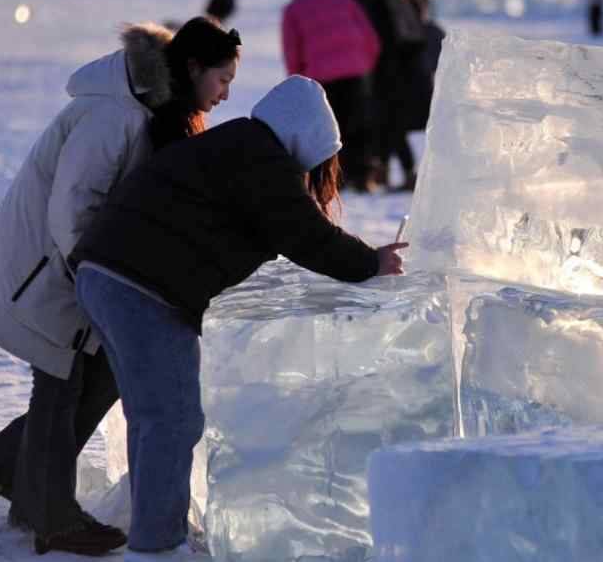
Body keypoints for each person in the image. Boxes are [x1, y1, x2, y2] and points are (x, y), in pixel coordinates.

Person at [69, 75, 406, 559]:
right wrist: (371, 262)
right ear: (305, 137)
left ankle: (157, 531)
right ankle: (158, 546)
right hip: (139, 290)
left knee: (152, 416)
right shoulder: (260, 159)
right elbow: (305, 235)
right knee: (172, 418)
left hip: (105, 275)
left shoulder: (238, 144)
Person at [0, 16, 240, 556]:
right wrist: (97, 281)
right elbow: (71, 209)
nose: (226, 94)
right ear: (193, 68)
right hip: (48, 270)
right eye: (222, 80)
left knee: (106, 369)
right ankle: (51, 518)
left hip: (77, 269)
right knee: (61, 382)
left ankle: (14, 463)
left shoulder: (150, 112)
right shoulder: (115, 114)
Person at [281, 0, 381, 192]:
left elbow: (292, 50)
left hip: (319, 78)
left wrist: (298, 82)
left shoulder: (293, 9)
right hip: (355, 72)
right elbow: (370, 38)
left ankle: (334, 179)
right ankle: (363, 176)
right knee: (358, 124)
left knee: (329, 128)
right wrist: (365, 66)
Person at [340, 0, 428, 191]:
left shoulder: (370, 0)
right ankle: (391, 172)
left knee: (387, 122)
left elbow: (375, 37)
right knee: (390, 122)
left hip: (384, 68)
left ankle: (399, 173)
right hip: (406, 66)